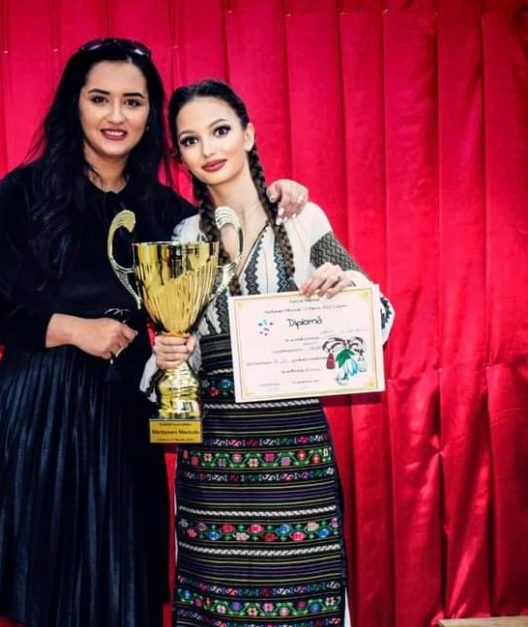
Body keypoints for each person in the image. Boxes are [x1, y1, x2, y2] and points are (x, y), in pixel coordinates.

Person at [0, 40, 309, 627]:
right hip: (39, 413)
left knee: (123, 587)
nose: (116, 115)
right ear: (75, 104)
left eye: (134, 101)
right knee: (48, 590)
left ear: (151, 115)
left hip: (126, 414)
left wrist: (278, 197)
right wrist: (73, 330)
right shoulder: (22, 193)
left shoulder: (166, 211)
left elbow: (229, 235)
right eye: (100, 99)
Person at [147, 79, 395, 627]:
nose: (208, 149)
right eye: (190, 140)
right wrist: (170, 355)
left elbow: (376, 318)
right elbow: (180, 360)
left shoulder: (302, 219)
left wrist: (343, 289)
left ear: (248, 134)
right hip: (213, 462)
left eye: (220, 130)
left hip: (295, 454)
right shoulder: (182, 238)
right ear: (180, 157)